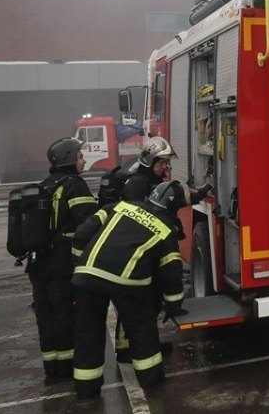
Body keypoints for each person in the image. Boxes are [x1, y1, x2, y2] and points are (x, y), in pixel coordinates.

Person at [71, 181, 190, 398]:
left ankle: (86, 389)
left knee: (87, 332)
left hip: (88, 276)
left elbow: (81, 234)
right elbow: (172, 272)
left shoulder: (119, 206)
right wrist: (173, 305)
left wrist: (81, 266)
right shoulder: (165, 230)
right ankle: (151, 381)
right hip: (127, 282)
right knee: (142, 329)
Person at [114, 136, 210, 363]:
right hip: (141, 252)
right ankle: (127, 347)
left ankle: (142, 343)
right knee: (138, 303)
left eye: (167, 162)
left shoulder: (151, 181)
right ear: (149, 161)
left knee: (149, 301)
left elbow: (174, 198)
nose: (166, 167)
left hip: (149, 250)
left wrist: (202, 192)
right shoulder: (137, 185)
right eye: (162, 162)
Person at [29, 137, 98, 385]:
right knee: (66, 315)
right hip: (61, 264)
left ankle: (52, 370)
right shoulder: (74, 186)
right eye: (80, 156)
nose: (83, 160)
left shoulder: (46, 184)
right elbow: (90, 224)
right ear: (69, 158)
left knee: (45, 315)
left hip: (38, 264)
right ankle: (68, 368)